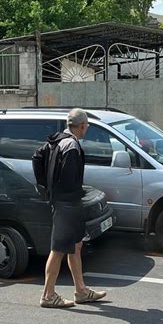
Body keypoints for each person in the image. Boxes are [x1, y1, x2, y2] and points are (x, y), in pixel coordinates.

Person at [33, 108, 107, 308]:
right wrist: (69, 195)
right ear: (83, 126)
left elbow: (36, 158)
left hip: (63, 202)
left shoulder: (56, 140)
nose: (87, 129)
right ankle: (48, 295)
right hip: (68, 205)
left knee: (76, 245)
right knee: (58, 249)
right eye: (87, 126)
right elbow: (69, 178)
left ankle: (81, 291)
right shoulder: (72, 146)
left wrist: (46, 187)